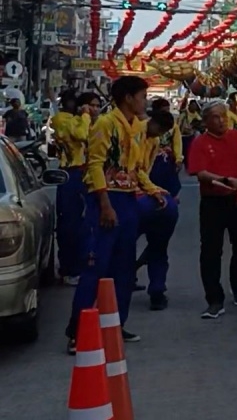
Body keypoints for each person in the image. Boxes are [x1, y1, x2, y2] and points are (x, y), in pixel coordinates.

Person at [65, 76, 170, 354]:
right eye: (142, 96)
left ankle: (115, 323)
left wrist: (151, 190)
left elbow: (135, 169)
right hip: (106, 199)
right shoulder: (105, 124)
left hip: (127, 200)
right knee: (96, 267)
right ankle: (78, 332)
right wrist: (105, 203)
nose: (144, 101)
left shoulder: (137, 127)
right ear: (128, 98)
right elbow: (96, 165)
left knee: (123, 268)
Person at [188, 101, 237, 319]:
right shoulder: (200, 142)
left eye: (224, 116)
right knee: (210, 251)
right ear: (206, 121)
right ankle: (214, 299)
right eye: (215, 117)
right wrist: (224, 180)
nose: (221, 120)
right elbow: (200, 173)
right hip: (213, 202)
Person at [135, 108, 180, 310]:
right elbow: (135, 170)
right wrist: (153, 190)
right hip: (134, 192)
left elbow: (142, 171)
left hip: (141, 193)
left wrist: (153, 190)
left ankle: (156, 290)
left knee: (158, 248)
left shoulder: (153, 140)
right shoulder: (133, 133)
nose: (158, 135)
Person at [50, 90, 97, 284]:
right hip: (70, 173)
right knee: (70, 223)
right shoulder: (62, 119)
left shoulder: (87, 120)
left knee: (85, 223)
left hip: (86, 173)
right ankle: (69, 267)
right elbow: (80, 134)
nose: (93, 109)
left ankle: (83, 262)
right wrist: (85, 116)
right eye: (90, 105)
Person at [179, 98, 203, 168]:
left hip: (190, 135)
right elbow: (179, 123)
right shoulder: (184, 113)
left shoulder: (196, 115)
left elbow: (200, 123)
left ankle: (188, 165)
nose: (194, 107)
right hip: (182, 135)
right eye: (193, 105)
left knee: (188, 150)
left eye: (195, 106)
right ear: (189, 105)